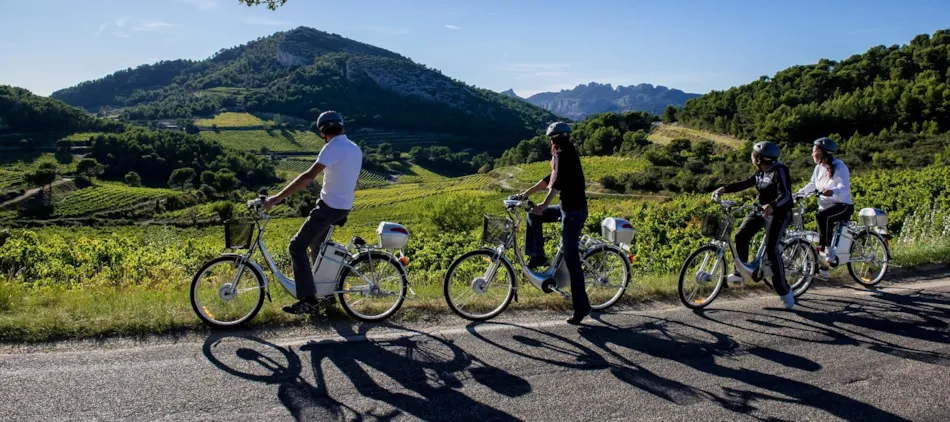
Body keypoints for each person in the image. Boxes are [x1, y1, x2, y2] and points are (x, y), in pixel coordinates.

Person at [263, 110, 362, 315]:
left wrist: (277, 198)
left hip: (328, 208)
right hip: (343, 207)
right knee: (318, 246)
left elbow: (308, 177)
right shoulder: (354, 148)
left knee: (296, 247)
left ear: (323, 132)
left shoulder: (332, 148)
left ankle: (308, 299)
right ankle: (326, 295)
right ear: (341, 126)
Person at [518, 121, 591, 325]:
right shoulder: (565, 153)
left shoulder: (561, 154)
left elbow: (557, 184)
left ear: (554, 139)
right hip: (567, 208)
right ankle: (538, 255)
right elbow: (549, 179)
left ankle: (581, 308)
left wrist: (543, 204)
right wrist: (525, 194)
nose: (550, 142)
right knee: (533, 215)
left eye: (551, 139)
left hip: (573, 212)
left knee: (571, 261)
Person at [712, 141, 796, 310]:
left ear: (758, 159)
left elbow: (787, 196)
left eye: (753, 154)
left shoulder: (779, 170)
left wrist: (772, 206)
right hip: (760, 210)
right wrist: (724, 189)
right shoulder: (760, 172)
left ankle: (785, 292)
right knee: (741, 235)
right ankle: (740, 274)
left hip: (779, 214)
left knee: (772, 251)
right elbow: (746, 183)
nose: (751, 156)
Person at [795, 137, 853, 278]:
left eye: (814, 151)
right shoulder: (818, 168)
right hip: (825, 206)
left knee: (822, 216)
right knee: (820, 220)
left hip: (842, 206)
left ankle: (828, 251)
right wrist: (798, 194)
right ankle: (823, 267)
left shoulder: (840, 167)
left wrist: (832, 191)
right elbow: (812, 185)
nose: (812, 154)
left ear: (822, 153)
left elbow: (843, 187)